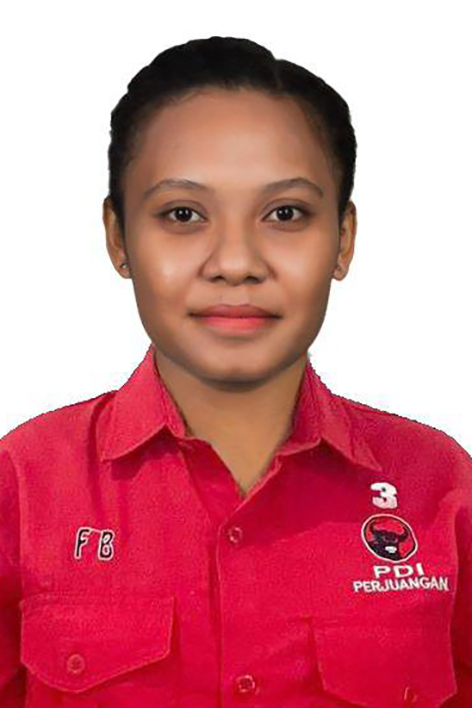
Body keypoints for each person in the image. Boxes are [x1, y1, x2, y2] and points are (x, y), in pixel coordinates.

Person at [1, 35, 471, 708]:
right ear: (118, 237)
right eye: (183, 214)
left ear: (342, 239)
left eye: (286, 214)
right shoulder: (24, 483)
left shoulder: (440, 485)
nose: (236, 262)